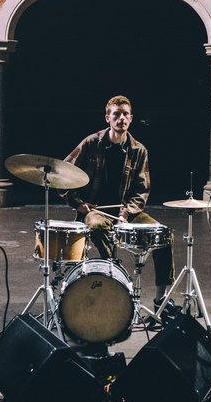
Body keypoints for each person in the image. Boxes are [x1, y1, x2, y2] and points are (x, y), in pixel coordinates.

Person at [62, 94, 173, 304]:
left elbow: (142, 190)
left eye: (125, 114)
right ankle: (117, 275)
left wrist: (125, 212)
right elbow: (63, 174)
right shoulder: (91, 143)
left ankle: (161, 299)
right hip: (95, 210)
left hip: (127, 212)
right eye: (116, 114)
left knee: (164, 235)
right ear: (107, 118)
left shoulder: (139, 150)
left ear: (131, 118)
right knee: (95, 225)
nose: (121, 118)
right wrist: (78, 203)